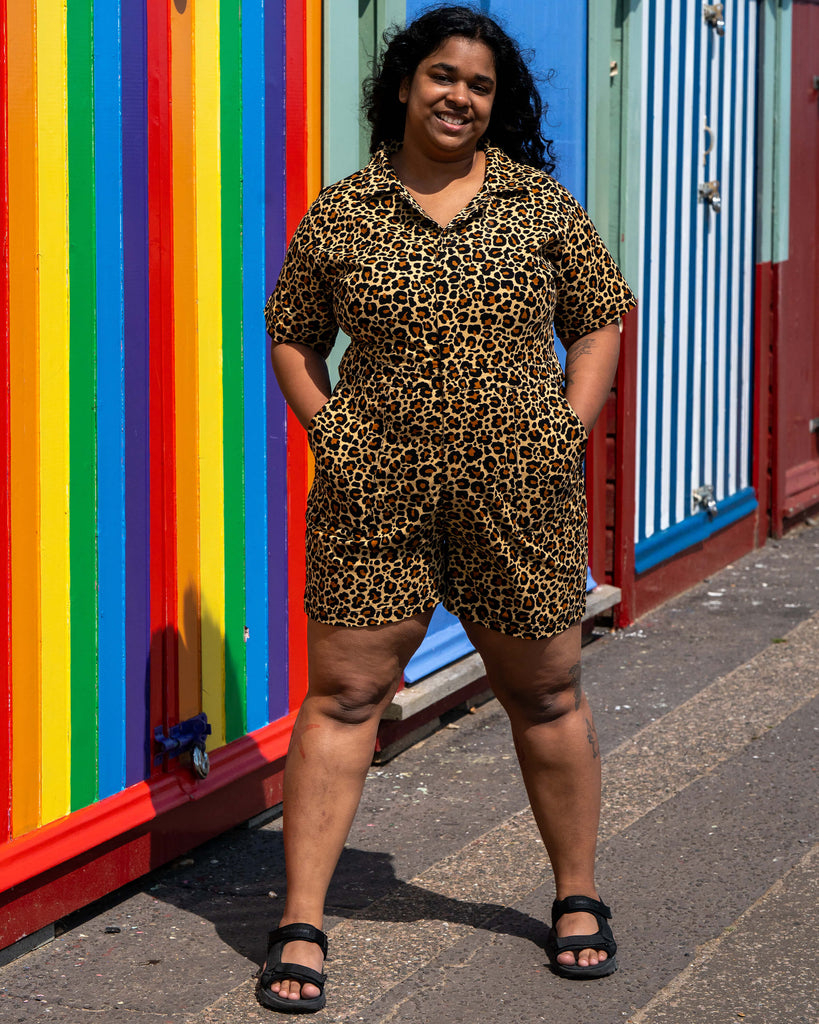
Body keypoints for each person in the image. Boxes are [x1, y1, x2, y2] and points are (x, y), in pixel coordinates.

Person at [258, 5, 636, 1013]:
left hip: (520, 495)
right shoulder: (344, 211)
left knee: (548, 694)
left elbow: (599, 314)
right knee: (343, 700)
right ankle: (301, 917)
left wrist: (567, 426)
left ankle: (578, 892)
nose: (458, 96)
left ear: (495, 101)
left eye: (478, 84)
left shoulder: (539, 205)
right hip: (372, 495)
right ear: (402, 85)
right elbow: (292, 332)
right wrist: (326, 428)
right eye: (441, 76)